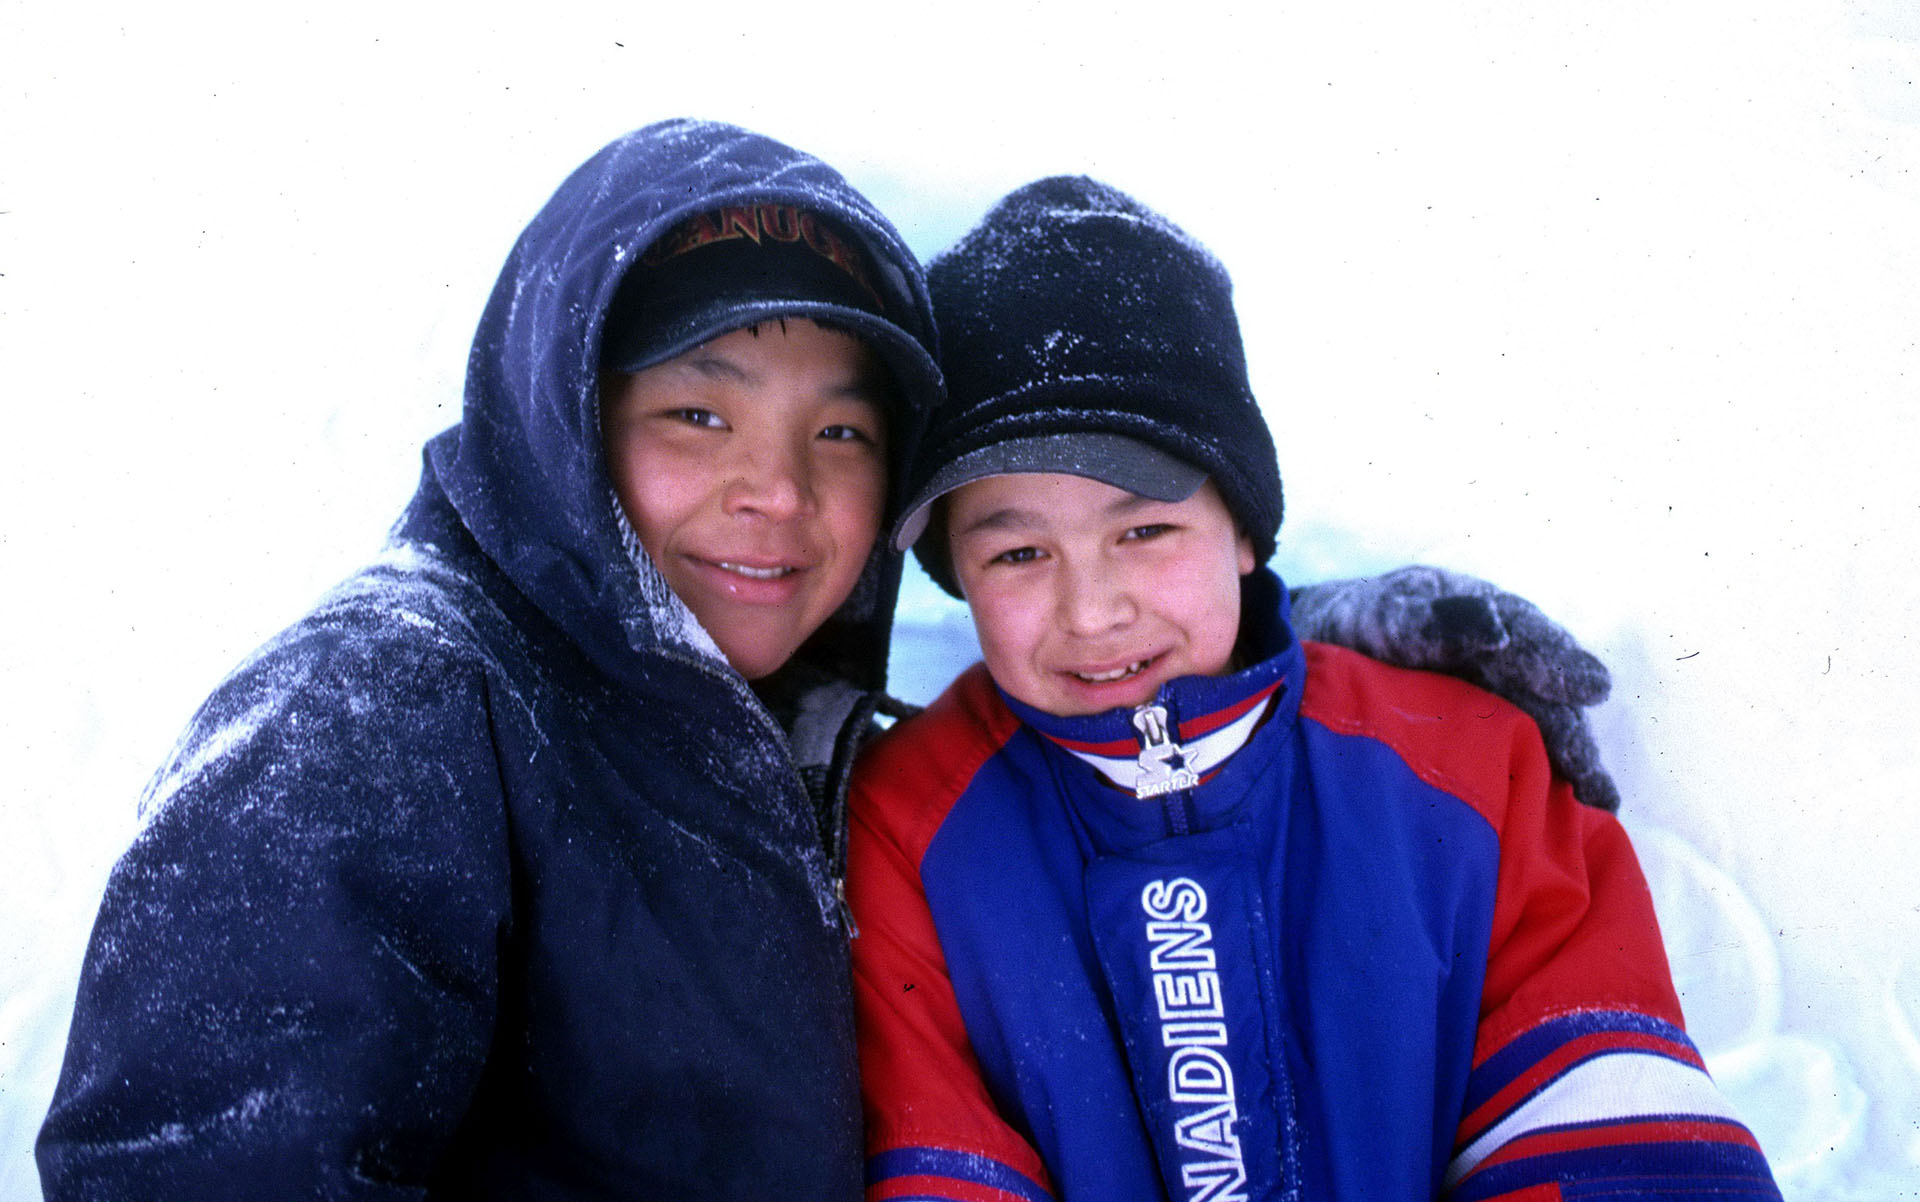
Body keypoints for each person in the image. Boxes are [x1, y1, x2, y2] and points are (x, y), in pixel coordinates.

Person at [38, 121, 1619, 1200]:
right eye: (697, 414)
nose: (777, 494)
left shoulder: (759, 724)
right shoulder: (381, 702)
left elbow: (1097, 641)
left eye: (842, 432)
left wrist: (1297, 674)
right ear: (560, 417)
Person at [847, 177, 1781, 1201]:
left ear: (1244, 528)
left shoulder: (1469, 765)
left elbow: (1612, 1139)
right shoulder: (910, 826)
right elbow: (934, 1161)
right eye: (1019, 551)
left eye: (1145, 530)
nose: (1092, 608)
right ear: (954, 573)